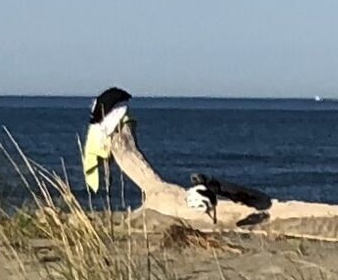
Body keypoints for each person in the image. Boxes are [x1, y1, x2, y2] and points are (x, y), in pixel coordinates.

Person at [79, 87, 273, 227]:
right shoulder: (117, 131)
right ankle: (221, 193)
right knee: (233, 201)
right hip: (168, 195)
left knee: (238, 201)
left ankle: (223, 194)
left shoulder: (115, 129)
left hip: (175, 197)